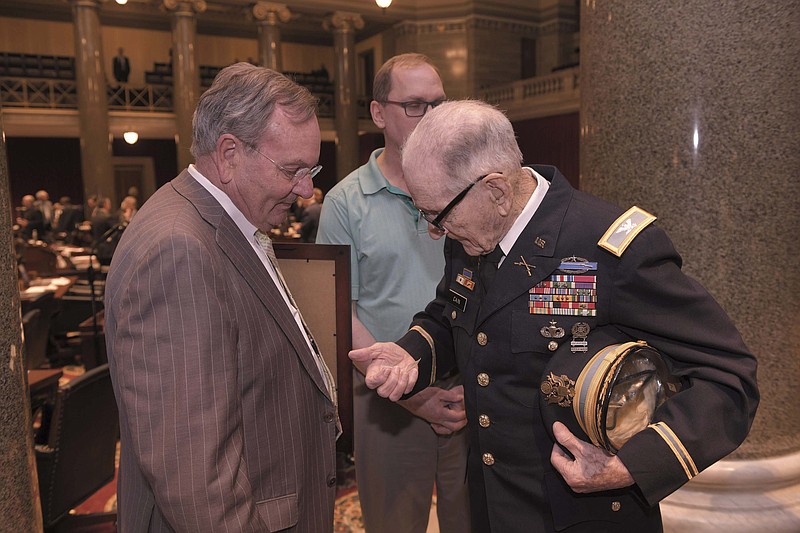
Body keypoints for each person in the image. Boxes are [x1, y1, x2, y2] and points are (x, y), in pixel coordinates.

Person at [350, 100, 760, 532]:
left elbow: (728, 376)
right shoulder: (470, 233)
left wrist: (631, 466)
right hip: (493, 506)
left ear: (496, 191)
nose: (435, 230)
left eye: (437, 215)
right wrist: (411, 353)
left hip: (580, 515)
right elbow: (453, 316)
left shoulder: (608, 247)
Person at [104, 62, 338, 532]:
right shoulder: (179, 250)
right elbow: (196, 476)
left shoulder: (221, 221)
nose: (308, 191)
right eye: (293, 170)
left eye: (310, 170)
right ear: (229, 153)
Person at [317, 53, 471, 533]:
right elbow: (340, 312)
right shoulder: (345, 202)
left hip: (469, 391)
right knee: (394, 523)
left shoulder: (471, 188)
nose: (431, 117)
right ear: (379, 113)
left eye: (439, 104)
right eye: (414, 105)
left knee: (476, 521)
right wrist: (410, 393)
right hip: (386, 399)